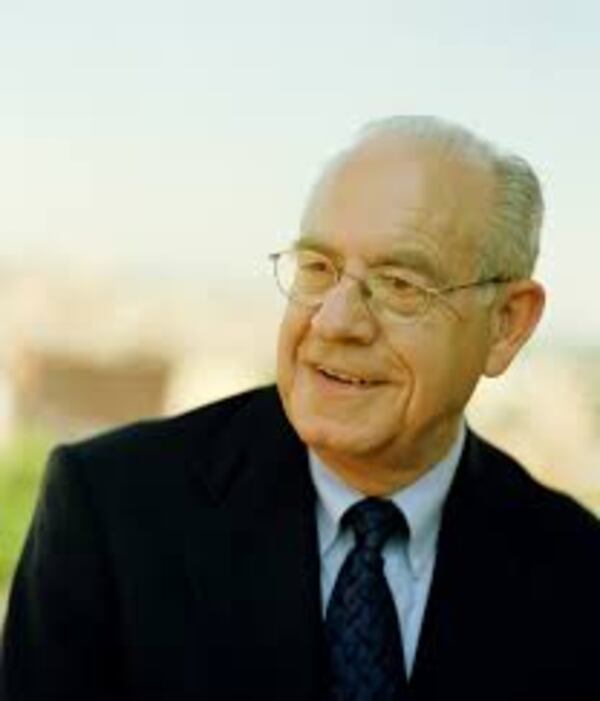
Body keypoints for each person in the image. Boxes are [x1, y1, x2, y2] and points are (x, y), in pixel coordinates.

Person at [1, 116, 599, 701]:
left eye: (400, 284)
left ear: (506, 324)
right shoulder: (111, 507)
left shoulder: (579, 574)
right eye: (317, 268)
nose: (334, 322)